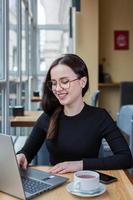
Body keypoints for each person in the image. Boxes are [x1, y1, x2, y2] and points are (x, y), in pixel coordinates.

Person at [17, 54, 133, 174]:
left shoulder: (100, 117)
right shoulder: (48, 117)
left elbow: (126, 158)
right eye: (54, 83)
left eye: (65, 81)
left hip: (87, 185)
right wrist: (22, 156)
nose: (57, 88)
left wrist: (80, 164)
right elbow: (27, 152)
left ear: (82, 82)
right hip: (55, 185)